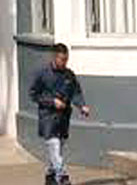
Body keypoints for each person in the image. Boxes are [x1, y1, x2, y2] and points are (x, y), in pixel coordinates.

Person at [30, 44, 92, 185]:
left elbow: (76, 92)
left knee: (58, 150)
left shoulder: (69, 75)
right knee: (55, 147)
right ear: (54, 57)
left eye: (66, 59)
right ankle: (63, 177)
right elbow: (34, 94)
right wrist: (52, 102)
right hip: (48, 117)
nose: (64, 62)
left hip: (63, 117)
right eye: (62, 59)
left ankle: (51, 176)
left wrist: (82, 105)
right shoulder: (42, 74)